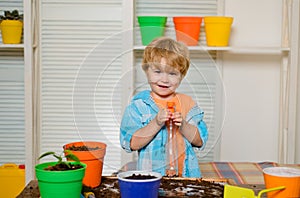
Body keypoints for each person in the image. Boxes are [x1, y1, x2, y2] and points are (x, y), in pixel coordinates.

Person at [120, 37, 208, 177]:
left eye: (172, 73)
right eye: (157, 72)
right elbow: (131, 143)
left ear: (181, 76)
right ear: (146, 70)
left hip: (186, 177)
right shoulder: (138, 106)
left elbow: (200, 140)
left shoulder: (188, 103)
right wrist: (156, 122)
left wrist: (184, 125)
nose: (164, 79)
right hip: (151, 178)